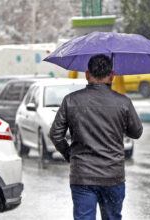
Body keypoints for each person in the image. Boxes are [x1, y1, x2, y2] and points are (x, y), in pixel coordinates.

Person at [49, 54, 143, 220]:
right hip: (113, 176)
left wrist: (70, 155)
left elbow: (56, 134)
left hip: (82, 176)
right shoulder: (123, 102)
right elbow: (136, 132)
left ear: (87, 74)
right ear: (112, 75)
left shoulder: (71, 100)